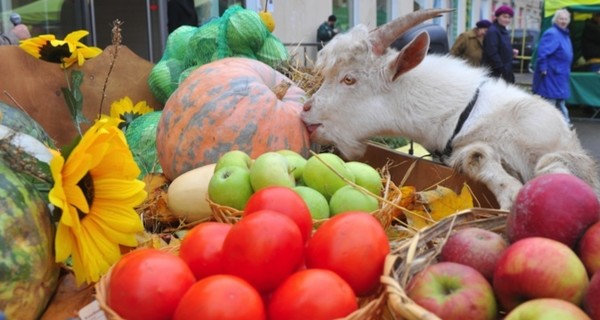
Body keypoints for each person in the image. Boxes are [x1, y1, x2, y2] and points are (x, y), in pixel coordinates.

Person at [532, 9, 573, 125]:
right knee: (550, 104)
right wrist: (543, 69)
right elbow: (543, 53)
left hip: (560, 75)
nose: (563, 21)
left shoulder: (564, 34)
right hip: (551, 75)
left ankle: (563, 126)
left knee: (559, 103)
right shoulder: (553, 33)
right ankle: (560, 127)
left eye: (565, 19)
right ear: (555, 20)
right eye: (561, 19)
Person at [482, 5, 517, 83]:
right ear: (497, 17)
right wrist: (502, 69)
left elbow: (501, 47)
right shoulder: (493, 31)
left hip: (504, 70)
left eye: (509, 17)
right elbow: (492, 52)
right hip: (495, 73)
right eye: (504, 17)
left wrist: (511, 51)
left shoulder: (503, 30)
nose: (507, 19)